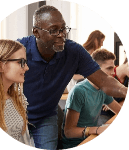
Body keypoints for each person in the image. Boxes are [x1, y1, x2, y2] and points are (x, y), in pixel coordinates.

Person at [17, 5, 127, 150]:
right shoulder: (19, 48)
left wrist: (125, 91)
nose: (61, 34)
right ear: (36, 32)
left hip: (46, 116)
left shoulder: (74, 51)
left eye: (63, 29)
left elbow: (104, 81)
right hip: (18, 113)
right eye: (54, 30)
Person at [62, 49, 122, 149]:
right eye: (109, 68)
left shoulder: (103, 88)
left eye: (113, 68)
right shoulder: (79, 91)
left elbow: (118, 110)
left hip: (91, 136)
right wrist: (97, 129)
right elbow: (69, 132)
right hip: (75, 143)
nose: (113, 73)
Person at [99, 56, 129, 124]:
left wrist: (115, 105)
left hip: (115, 112)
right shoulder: (107, 73)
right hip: (102, 114)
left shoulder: (127, 79)